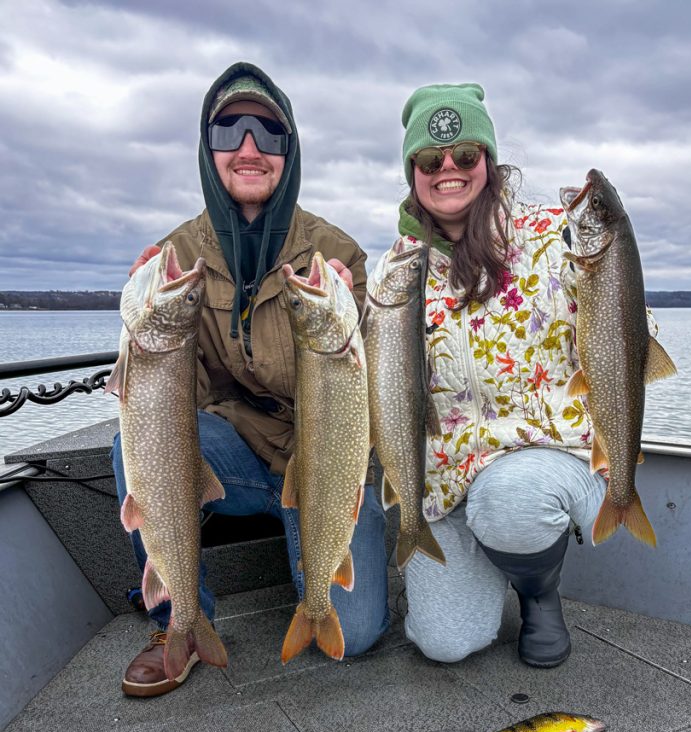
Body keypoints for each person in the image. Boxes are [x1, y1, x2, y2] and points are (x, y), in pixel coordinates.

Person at [114, 62, 389, 697]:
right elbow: (174, 402)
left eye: (267, 134)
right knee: (133, 449)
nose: (247, 148)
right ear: (206, 149)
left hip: (322, 462)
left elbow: (370, 383)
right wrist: (142, 330)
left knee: (357, 633)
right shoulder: (177, 255)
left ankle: (318, 572)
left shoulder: (335, 253)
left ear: (289, 152)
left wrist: (357, 314)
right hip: (235, 453)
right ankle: (179, 621)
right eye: (228, 131)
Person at [369, 82, 632, 669]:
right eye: (429, 160)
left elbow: (626, 333)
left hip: (544, 458)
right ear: (412, 172)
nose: (448, 169)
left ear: (486, 160)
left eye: (465, 154)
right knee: (444, 644)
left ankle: (538, 592)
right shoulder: (398, 271)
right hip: (445, 480)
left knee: (511, 501)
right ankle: (491, 563)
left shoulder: (556, 235)